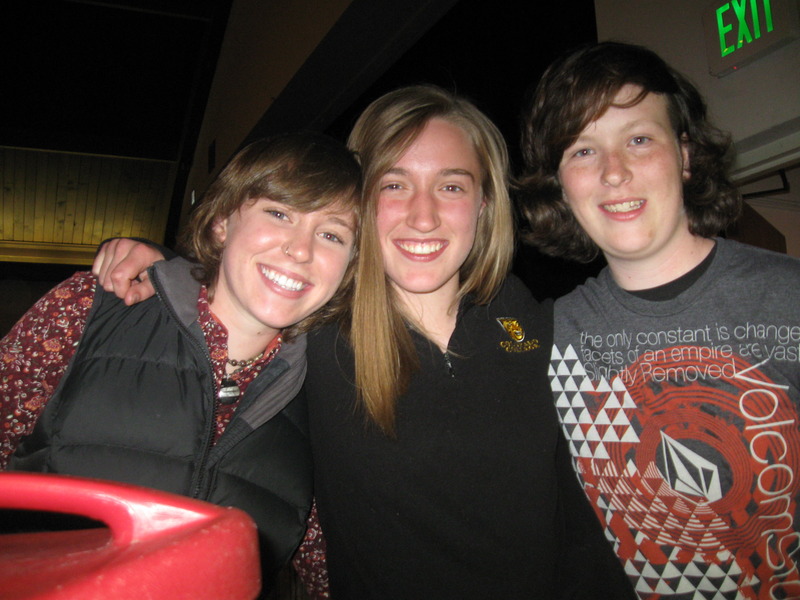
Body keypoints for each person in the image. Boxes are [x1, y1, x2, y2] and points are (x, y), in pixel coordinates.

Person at [87, 85, 635, 599]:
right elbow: (231, 309)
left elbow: (570, 504)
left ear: (484, 204)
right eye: (394, 185)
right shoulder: (313, 335)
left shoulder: (519, 314)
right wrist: (170, 271)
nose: (423, 216)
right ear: (358, 203)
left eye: (451, 186)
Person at [0, 132, 361, 594]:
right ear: (222, 223)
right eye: (279, 213)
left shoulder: (327, 398)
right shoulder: (91, 309)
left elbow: (333, 570)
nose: (302, 249)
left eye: (331, 235)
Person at [519, 41, 800, 599]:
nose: (614, 172)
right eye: (583, 150)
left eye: (639, 139)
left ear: (685, 155)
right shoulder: (549, 340)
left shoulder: (789, 298)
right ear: (561, 184)